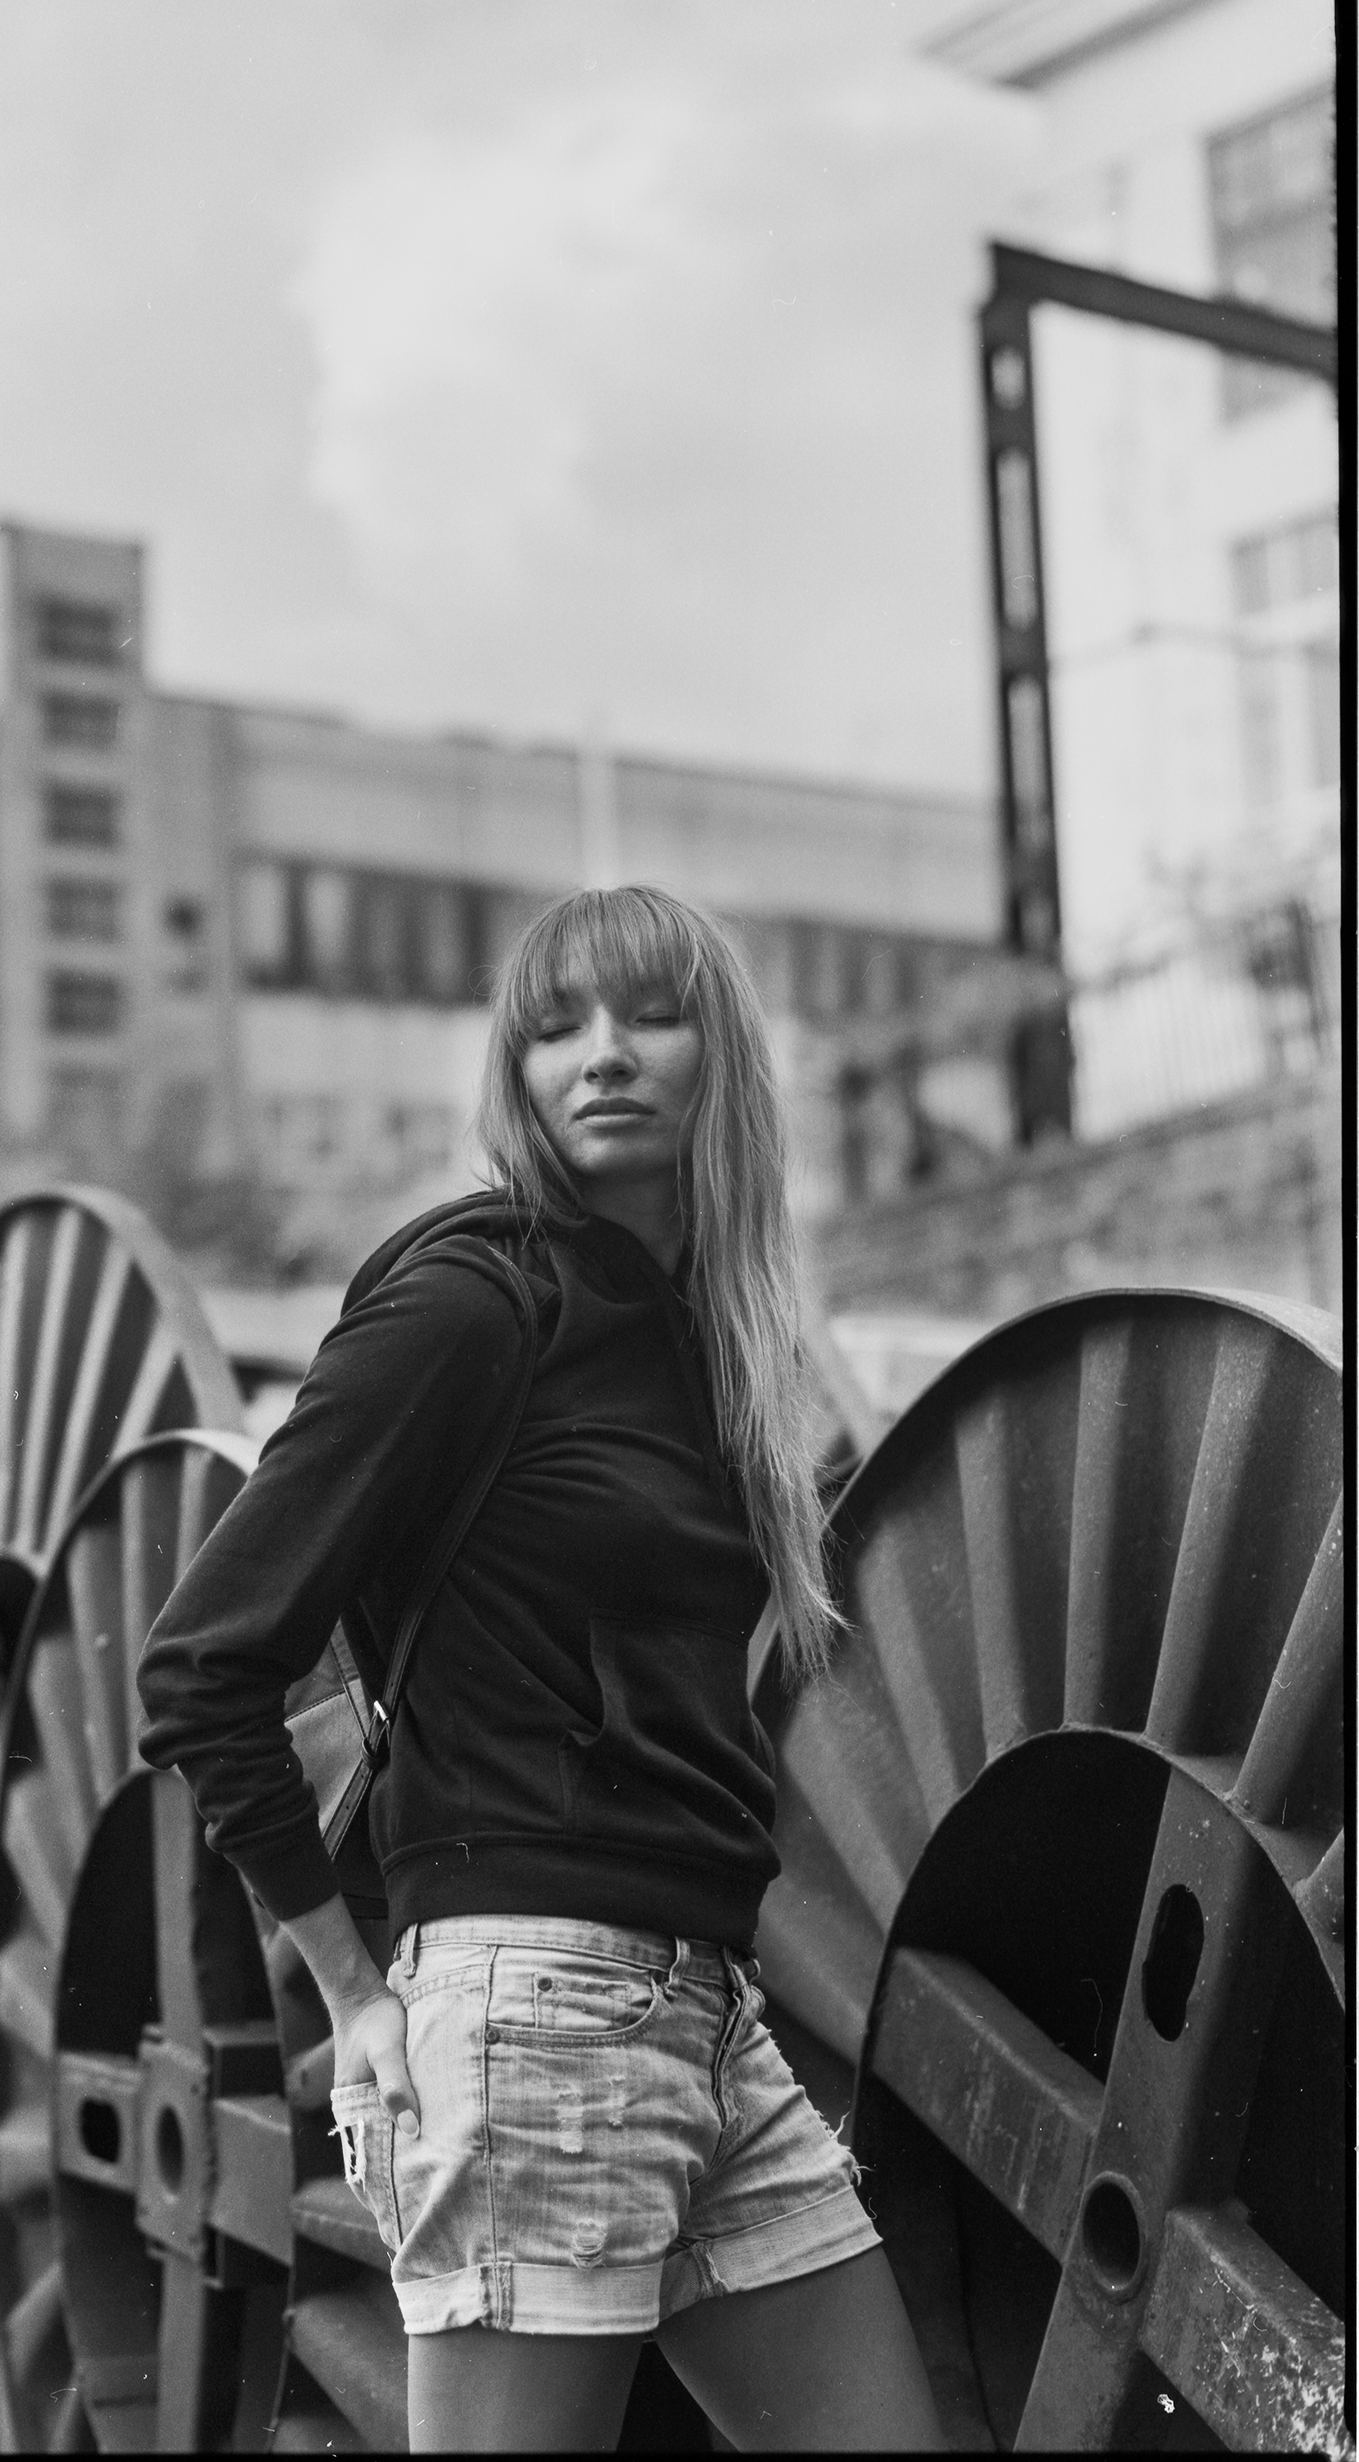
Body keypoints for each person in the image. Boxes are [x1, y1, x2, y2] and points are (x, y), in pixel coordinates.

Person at [136, 885, 943, 2452]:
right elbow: (203, 1665)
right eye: (557, 1024)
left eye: (649, 1014)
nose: (604, 1055)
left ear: (723, 1055)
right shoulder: (472, 1296)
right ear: (513, 1070)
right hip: (533, 2011)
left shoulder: (704, 1337)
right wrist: (354, 1989)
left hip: (704, 2009)